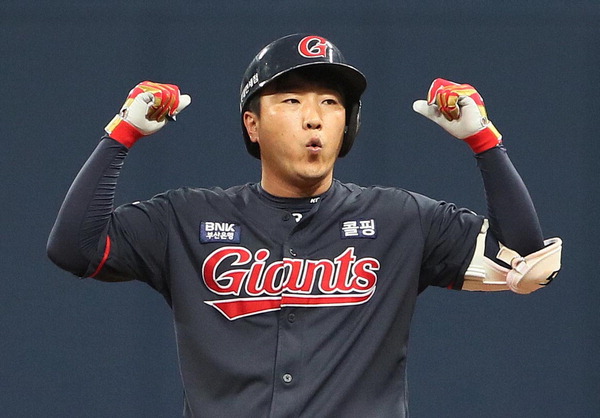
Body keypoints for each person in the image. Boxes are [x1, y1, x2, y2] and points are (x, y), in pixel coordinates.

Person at [47, 33, 562, 417]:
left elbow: (526, 261)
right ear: (252, 124)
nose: (313, 117)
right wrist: (122, 135)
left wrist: (483, 141)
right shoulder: (187, 219)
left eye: (330, 103)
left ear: (348, 125)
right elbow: (74, 248)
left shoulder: (399, 219)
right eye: (291, 100)